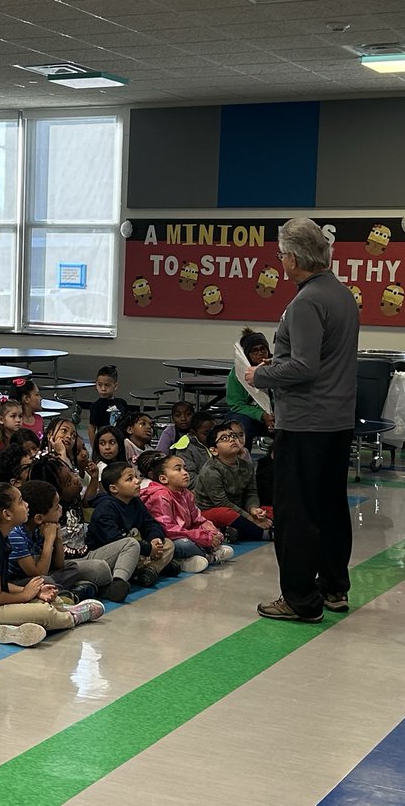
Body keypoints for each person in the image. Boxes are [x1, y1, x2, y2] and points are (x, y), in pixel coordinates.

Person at [247, 217, 358, 623]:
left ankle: (299, 598)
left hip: (306, 422)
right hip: (337, 420)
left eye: (281, 255)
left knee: (296, 512)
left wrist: (260, 375)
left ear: (293, 258)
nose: (280, 262)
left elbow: (305, 366)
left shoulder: (306, 301)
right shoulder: (342, 294)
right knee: (330, 506)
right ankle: (333, 587)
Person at [0, 482, 104, 648]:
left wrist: (34, 592)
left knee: (46, 602)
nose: (26, 505)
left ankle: (11, 630)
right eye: (20, 501)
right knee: (43, 612)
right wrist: (25, 595)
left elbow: (1, 585)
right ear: (7, 514)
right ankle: (72, 617)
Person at [27, 455, 137, 603]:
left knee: (131, 544)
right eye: (68, 481)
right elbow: (53, 565)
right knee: (100, 568)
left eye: (72, 472)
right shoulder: (48, 512)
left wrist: (94, 478)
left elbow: (88, 500)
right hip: (67, 565)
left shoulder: (74, 497)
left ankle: (117, 582)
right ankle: (94, 586)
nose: (76, 478)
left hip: (87, 554)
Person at [10, 480, 112, 602]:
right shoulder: (16, 535)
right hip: (19, 582)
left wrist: (57, 538)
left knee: (74, 568)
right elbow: (38, 573)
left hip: (46, 574)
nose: (61, 509)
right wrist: (49, 540)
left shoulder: (42, 527)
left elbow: (59, 565)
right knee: (45, 580)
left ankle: (69, 592)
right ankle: (68, 596)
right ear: (39, 518)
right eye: (56, 507)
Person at [87, 462, 174, 588]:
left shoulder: (135, 502)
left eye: (136, 477)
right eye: (130, 479)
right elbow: (113, 540)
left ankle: (149, 570)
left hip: (136, 549)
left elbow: (149, 523)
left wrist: (155, 539)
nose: (137, 481)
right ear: (114, 488)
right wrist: (148, 549)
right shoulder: (105, 509)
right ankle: (151, 569)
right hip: (112, 555)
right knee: (131, 546)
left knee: (168, 544)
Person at [142, 453, 233, 571]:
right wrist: (203, 537)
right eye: (178, 469)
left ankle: (196, 556)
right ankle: (208, 557)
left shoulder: (186, 493)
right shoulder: (159, 496)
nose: (185, 473)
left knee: (210, 535)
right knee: (184, 544)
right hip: (169, 539)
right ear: (163, 478)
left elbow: (198, 519)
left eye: (185, 468)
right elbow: (168, 530)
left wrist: (212, 532)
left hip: (187, 534)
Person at [227, 327, 276, 449]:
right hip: (251, 416)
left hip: (277, 415)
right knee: (240, 425)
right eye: (255, 351)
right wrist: (262, 415)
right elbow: (236, 404)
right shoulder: (238, 373)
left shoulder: (278, 367)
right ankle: (241, 458)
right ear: (247, 355)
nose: (260, 353)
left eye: (263, 349)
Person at [169, 411, 216, 484]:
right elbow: (189, 481)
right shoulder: (185, 450)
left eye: (214, 432)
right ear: (193, 433)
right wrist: (217, 481)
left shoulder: (219, 443)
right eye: (206, 433)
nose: (212, 436)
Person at [86, 365, 129, 442]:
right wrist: (94, 447)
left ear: (115, 386)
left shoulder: (122, 403)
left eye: (107, 385)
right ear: (96, 385)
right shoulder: (96, 406)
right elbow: (91, 429)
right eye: (100, 385)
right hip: (105, 442)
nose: (103, 389)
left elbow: (128, 424)